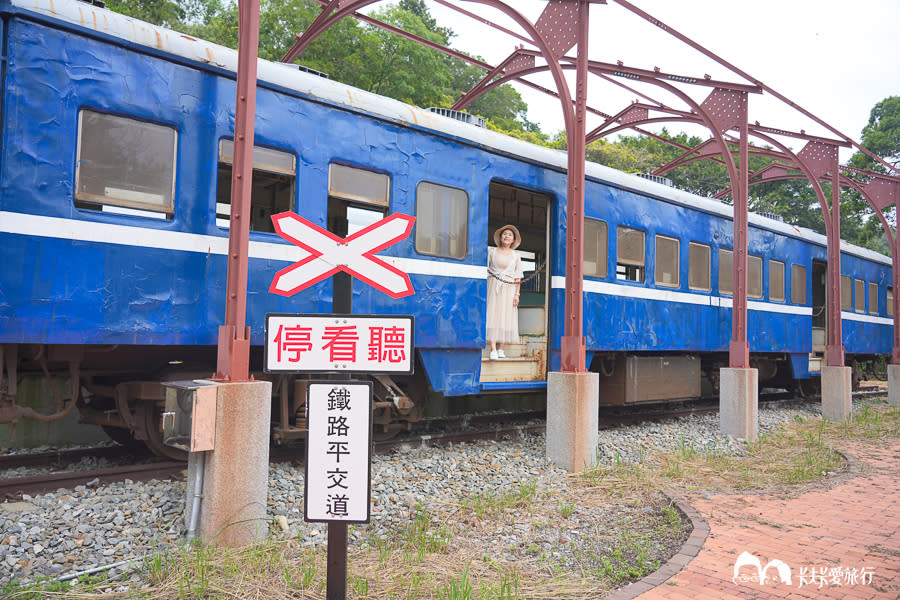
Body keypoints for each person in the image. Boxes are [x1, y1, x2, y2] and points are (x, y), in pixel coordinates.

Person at [486, 224, 523, 360]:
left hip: (509, 288)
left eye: (510, 235)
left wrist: (517, 294)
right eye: (504, 234)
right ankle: (493, 348)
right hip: (493, 286)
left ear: (513, 240)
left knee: (505, 316)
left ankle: (501, 348)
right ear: (500, 237)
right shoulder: (492, 251)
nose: (507, 236)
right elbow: (485, 269)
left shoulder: (516, 256)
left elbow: (518, 276)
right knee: (493, 315)